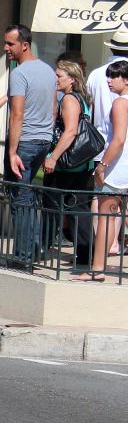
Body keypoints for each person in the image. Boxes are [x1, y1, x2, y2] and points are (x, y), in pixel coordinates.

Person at [2, 23, 57, 266]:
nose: (6, 48)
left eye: (10, 44)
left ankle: (23, 258)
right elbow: (53, 110)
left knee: (20, 200)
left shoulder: (19, 73)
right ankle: (35, 250)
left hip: (24, 143)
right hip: (43, 141)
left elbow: (17, 114)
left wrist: (12, 151)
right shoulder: (48, 71)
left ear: (25, 45)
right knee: (26, 197)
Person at [77, 61, 128, 281]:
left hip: (118, 167)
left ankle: (97, 269)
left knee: (106, 216)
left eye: (114, 76)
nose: (109, 80)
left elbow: (117, 139)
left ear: (125, 80)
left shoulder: (120, 103)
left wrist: (102, 165)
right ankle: (97, 268)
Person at [43, 60, 96, 267]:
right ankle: (85, 255)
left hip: (68, 164)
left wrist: (53, 157)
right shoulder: (81, 99)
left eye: (59, 76)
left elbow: (71, 130)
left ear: (72, 79)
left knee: (53, 205)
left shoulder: (69, 99)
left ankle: (41, 247)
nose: (55, 79)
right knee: (78, 208)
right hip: (82, 163)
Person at [86, 32, 128, 256]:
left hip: (105, 145)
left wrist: (102, 163)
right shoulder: (110, 77)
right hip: (113, 147)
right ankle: (110, 248)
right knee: (113, 204)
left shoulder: (96, 74)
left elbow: (91, 105)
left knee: (104, 204)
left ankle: (105, 250)